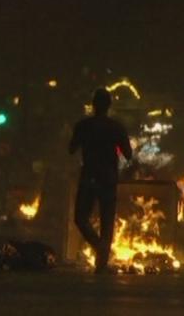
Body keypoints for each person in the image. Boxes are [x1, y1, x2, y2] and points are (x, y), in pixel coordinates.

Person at [69, 88, 132, 274]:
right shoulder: (116, 127)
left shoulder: (83, 126)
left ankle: (99, 248)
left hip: (89, 176)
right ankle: (102, 259)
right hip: (108, 178)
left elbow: (71, 148)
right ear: (109, 105)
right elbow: (128, 154)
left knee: (81, 218)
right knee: (107, 221)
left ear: (93, 104)